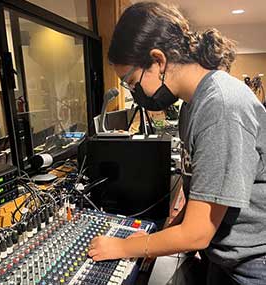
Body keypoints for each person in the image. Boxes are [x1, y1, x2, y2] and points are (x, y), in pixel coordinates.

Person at [88, 2, 266, 284]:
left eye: (132, 81)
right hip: (222, 256)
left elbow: (198, 232)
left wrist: (123, 247)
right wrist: (159, 237)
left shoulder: (221, 105)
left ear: (158, 60)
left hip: (252, 265)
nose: (136, 92)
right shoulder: (192, 105)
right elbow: (203, 193)